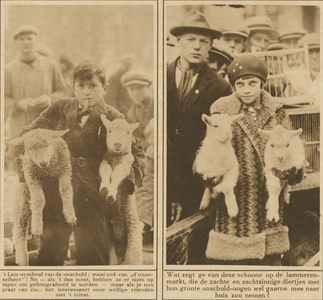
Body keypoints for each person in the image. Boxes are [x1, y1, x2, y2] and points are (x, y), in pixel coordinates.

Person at [15, 60, 146, 265]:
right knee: (50, 249)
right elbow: (27, 134)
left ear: (105, 87)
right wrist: (25, 174)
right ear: (73, 86)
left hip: (93, 192)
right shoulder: (59, 108)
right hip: (56, 188)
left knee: (94, 251)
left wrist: (126, 182)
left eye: (93, 86)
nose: (86, 92)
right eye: (80, 86)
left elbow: (136, 151)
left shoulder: (112, 116)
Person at [205, 53, 304, 265]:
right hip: (235, 205)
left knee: (270, 269)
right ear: (233, 86)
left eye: (252, 83)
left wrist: (293, 172)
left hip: (269, 201)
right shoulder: (221, 110)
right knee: (235, 271)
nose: (246, 89)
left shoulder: (277, 111)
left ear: (262, 83)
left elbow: (293, 147)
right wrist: (209, 175)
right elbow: (206, 148)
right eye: (240, 84)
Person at [167, 10, 231, 226]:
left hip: (196, 184)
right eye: (190, 40)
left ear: (210, 46)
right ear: (178, 40)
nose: (196, 46)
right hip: (162, 180)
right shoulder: (160, 76)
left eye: (203, 41)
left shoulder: (220, 87)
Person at [5, 25, 66, 170]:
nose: (26, 42)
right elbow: (3, 97)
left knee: (49, 164)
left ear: (35, 41)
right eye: (22, 39)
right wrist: (18, 103)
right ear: (17, 42)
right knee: (22, 168)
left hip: (46, 122)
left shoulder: (50, 65)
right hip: (20, 124)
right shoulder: (8, 69)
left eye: (29, 38)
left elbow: (63, 91)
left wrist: (50, 98)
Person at [121, 69, 154, 150]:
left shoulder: (157, 104)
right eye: (132, 89)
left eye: (140, 87)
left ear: (148, 87)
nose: (136, 92)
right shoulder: (133, 108)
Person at [298, 33, 320, 106]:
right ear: (302, 55)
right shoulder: (294, 76)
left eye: (318, 51)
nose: (314, 56)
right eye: (310, 52)